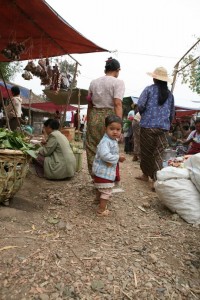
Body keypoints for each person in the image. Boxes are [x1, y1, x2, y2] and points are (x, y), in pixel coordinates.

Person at [136, 66, 175, 189]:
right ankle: (155, 180)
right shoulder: (170, 95)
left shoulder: (148, 90)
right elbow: (172, 113)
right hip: (163, 128)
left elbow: (140, 105)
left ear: (154, 78)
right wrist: (167, 125)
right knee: (158, 154)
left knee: (147, 153)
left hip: (148, 126)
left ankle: (146, 175)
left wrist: (144, 115)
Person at [86, 57, 125, 175]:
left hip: (94, 116)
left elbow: (90, 104)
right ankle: (107, 175)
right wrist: (119, 127)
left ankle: (95, 176)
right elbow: (117, 104)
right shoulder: (118, 82)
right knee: (110, 147)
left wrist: (89, 121)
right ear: (118, 70)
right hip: (110, 119)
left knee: (92, 146)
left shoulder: (93, 82)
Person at [92, 115, 126, 216]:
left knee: (101, 187)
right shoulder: (105, 141)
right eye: (112, 129)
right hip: (103, 171)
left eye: (118, 129)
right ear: (105, 128)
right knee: (107, 191)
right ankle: (101, 210)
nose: (115, 132)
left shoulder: (112, 140)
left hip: (103, 170)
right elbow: (104, 155)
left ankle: (97, 200)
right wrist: (118, 158)